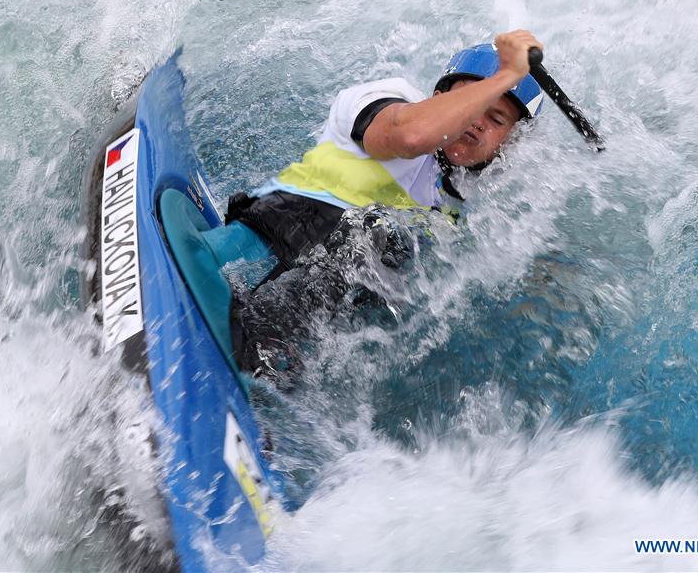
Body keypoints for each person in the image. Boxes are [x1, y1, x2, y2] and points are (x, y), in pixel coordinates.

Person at [226, 29, 545, 380]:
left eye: (497, 120)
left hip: (306, 335)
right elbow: (409, 135)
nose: (478, 120)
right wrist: (504, 78)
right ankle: (250, 341)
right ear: (437, 97)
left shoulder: (479, 202)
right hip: (252, 256)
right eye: (470, 102)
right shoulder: (393, 100)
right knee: (373, 231)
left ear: (509, 142)